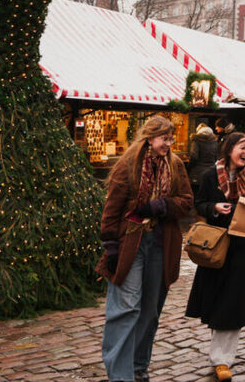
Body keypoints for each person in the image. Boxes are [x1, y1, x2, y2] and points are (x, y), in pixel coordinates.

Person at [97, 115, 194, 382]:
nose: (169, 143)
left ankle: (139, 367)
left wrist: (162, 206)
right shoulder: (128, 165)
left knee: (150, 310)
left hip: (160, 244)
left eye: (171, 138)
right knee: (126, 308)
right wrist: (111, 246)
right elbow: (112, 210)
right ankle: (120, 375)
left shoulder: (174, 165)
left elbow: (186, 201)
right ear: (150, 138)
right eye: (165, 138)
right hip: (131, 244)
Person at [185, 132, 245, 382]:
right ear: (229, 148)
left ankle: (223, 359)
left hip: (242, 247)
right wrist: (214, 208)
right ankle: (219, 350)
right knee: (215, 299)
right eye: (242, 147)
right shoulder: (210, 176)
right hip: (216, 245)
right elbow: (199, 204)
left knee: (233, 302)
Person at [188, 120, 219, 195]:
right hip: (211, 172)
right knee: (207, 194)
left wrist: (189, 168)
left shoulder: (196, 140)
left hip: (197, 172)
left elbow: (194, 156)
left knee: (195, 193)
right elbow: (217, 157)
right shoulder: (215, 141)